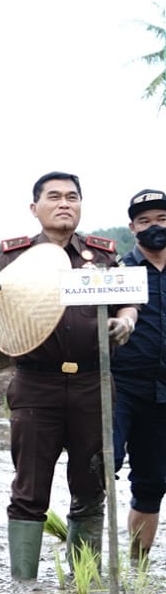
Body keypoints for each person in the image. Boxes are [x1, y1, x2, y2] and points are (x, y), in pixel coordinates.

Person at [0, 171, 137, 582]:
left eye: (72, 197)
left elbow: (128, 303)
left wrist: (125, 322)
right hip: (35, 385)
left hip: (93, 384)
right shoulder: (15, 256)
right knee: (29, 487)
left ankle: (85, 579)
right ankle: (23, 587)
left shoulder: (101, 256)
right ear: (35, 207)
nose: (65, 204)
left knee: (92, 481)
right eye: (54, 197)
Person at [111, 188, 166, 561]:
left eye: (161, 219)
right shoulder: (119, 272)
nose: (154, 227)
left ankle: (136, 567)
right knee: (100, 464)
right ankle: (86, 557)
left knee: (152, 482)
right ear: (132, 228)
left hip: (163, 393)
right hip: (122, 387)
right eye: (145, 221)